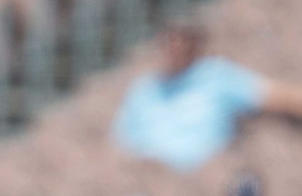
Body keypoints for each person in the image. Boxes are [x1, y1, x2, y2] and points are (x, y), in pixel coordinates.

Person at [112, 22, 302, 172]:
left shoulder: (217, 77)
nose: (175, 46)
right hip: (151, 182)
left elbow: (277, 96)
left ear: (196, 43)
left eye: (183, 39)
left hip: (206, 182)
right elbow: (121, 144)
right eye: (170, 39)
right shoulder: (144, 89)